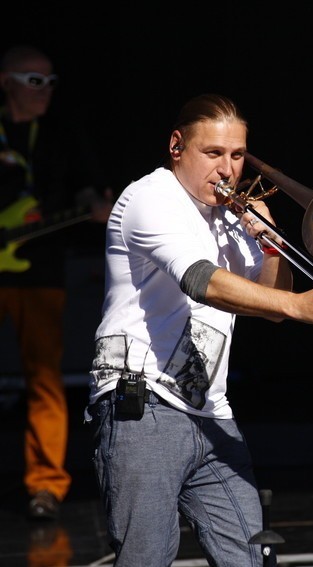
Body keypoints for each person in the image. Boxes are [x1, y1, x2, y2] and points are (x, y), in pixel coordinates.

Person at [84, 93, 313, 566]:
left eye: (237, 155)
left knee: (252, 555)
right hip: (143, 407)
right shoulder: (151, 197)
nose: (228, 169)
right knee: (147, 558)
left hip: (211, 412)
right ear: (177, 146)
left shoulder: (230, 216)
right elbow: (200, 281)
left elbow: (270, 305)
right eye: (213, 154)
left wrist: (272, 246)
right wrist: (298, 305)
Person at [0, 44, 112, 522]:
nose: (44, 91)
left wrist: (94, 204)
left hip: (40, 267)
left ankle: (46, 487)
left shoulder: (62, 133)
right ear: (6, 81)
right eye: (33, 81)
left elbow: (87, 184)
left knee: (43, 376)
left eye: (49, 82)